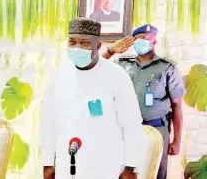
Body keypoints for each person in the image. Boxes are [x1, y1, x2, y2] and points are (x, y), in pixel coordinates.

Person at [39, 18, 144, 179]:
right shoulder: (60, 74)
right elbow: (48, 120)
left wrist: (131, 167)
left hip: (106, 168)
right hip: (66, 167)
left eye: (85, 43)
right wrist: (47, 162)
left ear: (98, 45)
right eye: (72, 42)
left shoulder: (116, 76)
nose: (77, 48)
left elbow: (131, 124)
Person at [102, 24, 186, 179]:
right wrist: (111, 50)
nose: (142, 40)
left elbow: (177, 106)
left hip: (157, 129)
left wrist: (177, 140)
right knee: (121, 171)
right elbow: (95, 69)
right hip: (125, 129)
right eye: (138, 38)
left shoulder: (167, 67)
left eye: (146, 38)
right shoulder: (122, 64)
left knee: (155, 172)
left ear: (154, 41)